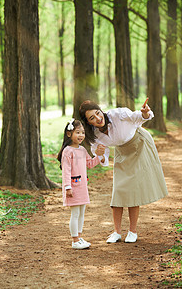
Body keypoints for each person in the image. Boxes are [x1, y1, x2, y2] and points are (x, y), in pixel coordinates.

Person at [79, 99, 168, 243]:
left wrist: (145, 113)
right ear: (89, 123)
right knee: (118, 190)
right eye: (92, 118)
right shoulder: (94, 136)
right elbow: (102, 158)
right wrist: (100, 154)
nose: (98, 118)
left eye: (97, 113)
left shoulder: (118, 114)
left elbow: (138, 117)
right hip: (122, 152)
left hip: (139, 145)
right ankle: (117, 232)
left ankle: (132, 231)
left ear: (101, 110)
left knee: (133, 190)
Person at [57, 118, 104, 249]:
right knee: (75, 213)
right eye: (78, 132)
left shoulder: (82, 150)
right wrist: (67, 187)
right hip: (72, 186)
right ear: (69, 134)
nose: (81, 135)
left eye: (82, 132)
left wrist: (99, 156)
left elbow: (89, 164)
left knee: (82, 212)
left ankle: (79, 236)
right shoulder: (67, 151)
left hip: (82, 186)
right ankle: (74, 240)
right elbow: (66, 170)